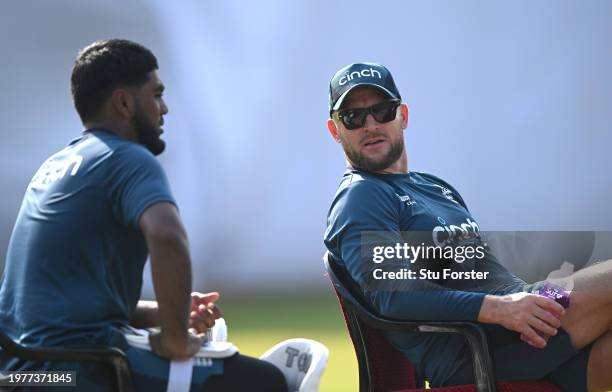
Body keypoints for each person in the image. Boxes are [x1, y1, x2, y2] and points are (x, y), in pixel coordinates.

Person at [0, 39, 288, 392]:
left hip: (22, 374)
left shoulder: (55, 166)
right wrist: (175, 338)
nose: (163, 108)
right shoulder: (127, 157)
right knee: (271, 381)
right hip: (78, 369)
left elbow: (61, 304)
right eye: (156, 95)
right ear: (123, 103)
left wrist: (172, 309)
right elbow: (167, 235)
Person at [323, 62, 612, 392]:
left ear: (403, 115)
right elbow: (392, 296)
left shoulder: (434, 186)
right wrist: (500, 310)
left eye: (382, 111)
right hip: (480, 349)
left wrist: (516, 303)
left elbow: (481, 274)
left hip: (517, 323)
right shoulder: (362, 196)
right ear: (335, 130)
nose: (370, 125)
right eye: (353, 117)